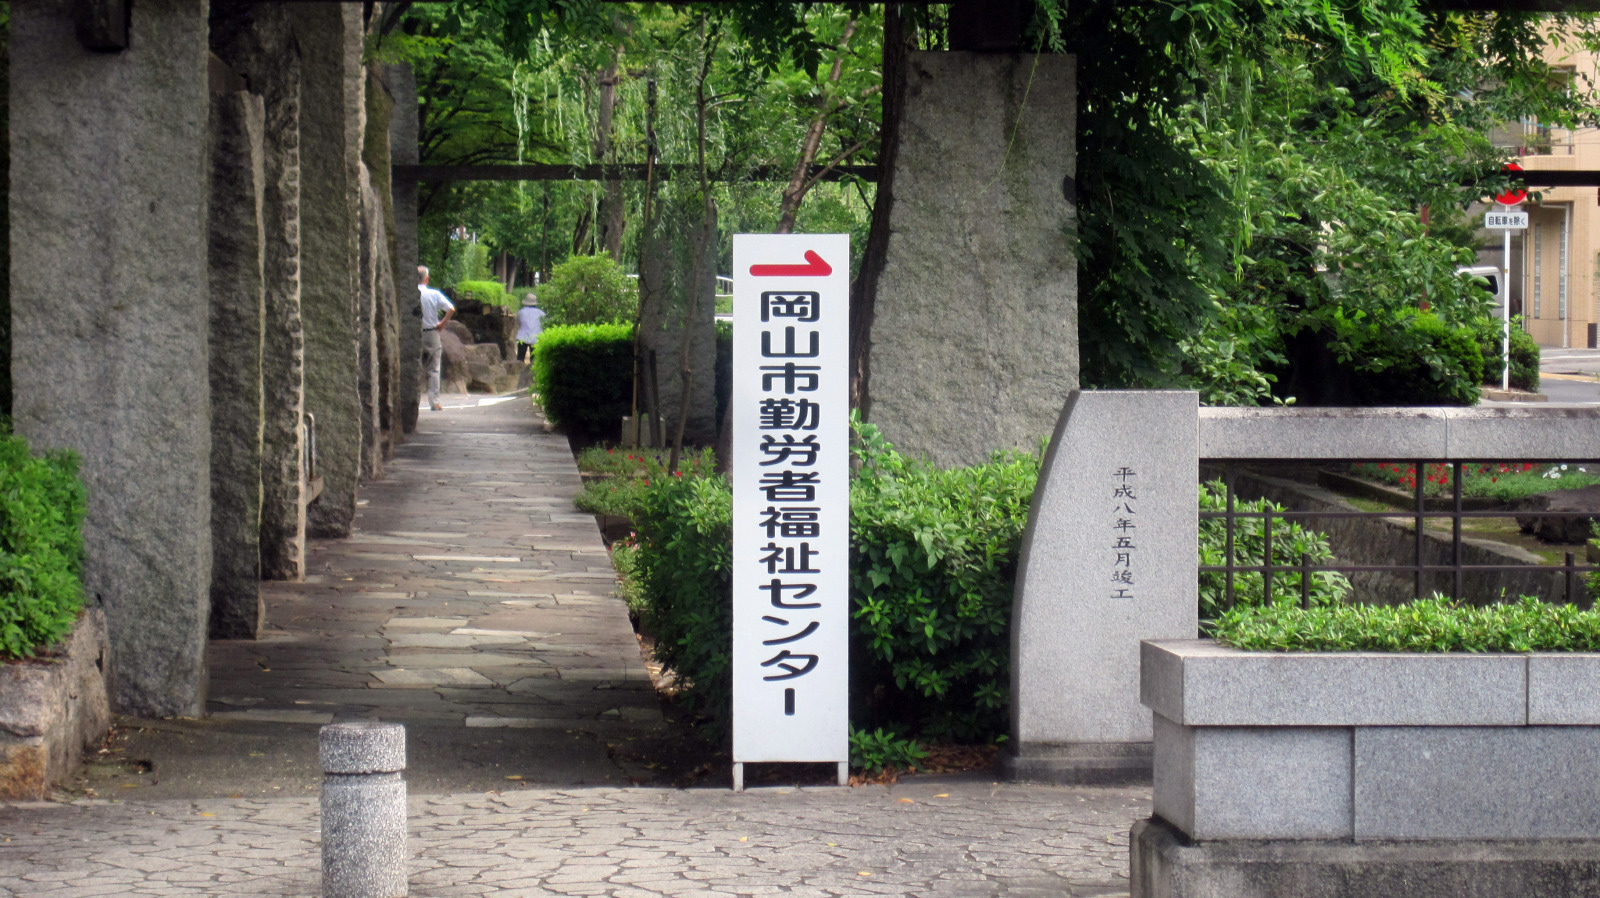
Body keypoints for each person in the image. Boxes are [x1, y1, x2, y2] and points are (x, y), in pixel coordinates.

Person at [418, 265, 456, 411]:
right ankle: (434, 402)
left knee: (415, 368)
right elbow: (451, 308)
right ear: (427, 279)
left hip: (415, 334)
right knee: (434, 368)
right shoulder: (433, 294)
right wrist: (442, 323)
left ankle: (410, 400)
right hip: (432, 333)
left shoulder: (409, 294)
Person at [515, 293, 545, 363]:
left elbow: (518, 324)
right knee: (534, 360)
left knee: (520, 359)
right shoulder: (541, 313)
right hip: (536, 338)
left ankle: (520, 368)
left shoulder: (521, 312)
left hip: (522, 337)